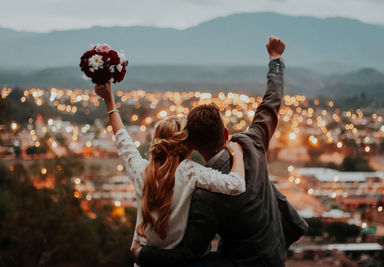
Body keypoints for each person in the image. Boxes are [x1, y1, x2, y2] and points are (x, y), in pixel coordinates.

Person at [135, 36, 290, 267]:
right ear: (226, 132)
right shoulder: (253, 142)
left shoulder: (204, 192)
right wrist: (275, 58)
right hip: (277, 249)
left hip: (244, 262)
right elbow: (272, 99)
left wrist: (141, 254)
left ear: (193, 146)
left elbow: (188, 254)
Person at [94, 81, 247, 264]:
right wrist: (237, 154)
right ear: (190, 145)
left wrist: (109, 101)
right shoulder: (190, 172)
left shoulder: (140, 169)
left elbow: (122, 138)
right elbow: (237, 185)